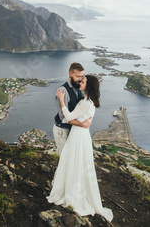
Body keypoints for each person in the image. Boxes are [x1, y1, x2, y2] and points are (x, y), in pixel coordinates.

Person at [47, 74, 113, 222]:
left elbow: (69, 117)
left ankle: (71, 194)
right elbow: (83, 121)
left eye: (83, 81)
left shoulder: (85, 102)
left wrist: (62, 101)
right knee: (80, 164)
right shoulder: (90, 101)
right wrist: (82, 124)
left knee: (72, 162)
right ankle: (76, 191)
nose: (80, 82)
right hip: (82, 135)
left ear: (88, 86)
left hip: (78, 136)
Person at [53, 62, 91, 156]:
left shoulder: (79, 87)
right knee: (64, 158)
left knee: (72, 158)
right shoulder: (63, 90)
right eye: (78, 76)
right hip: (63, 130)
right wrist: (82, 124)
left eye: (82, 76)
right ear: (70, 74)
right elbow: (63, 118)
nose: (80, 79)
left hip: (73, 130)